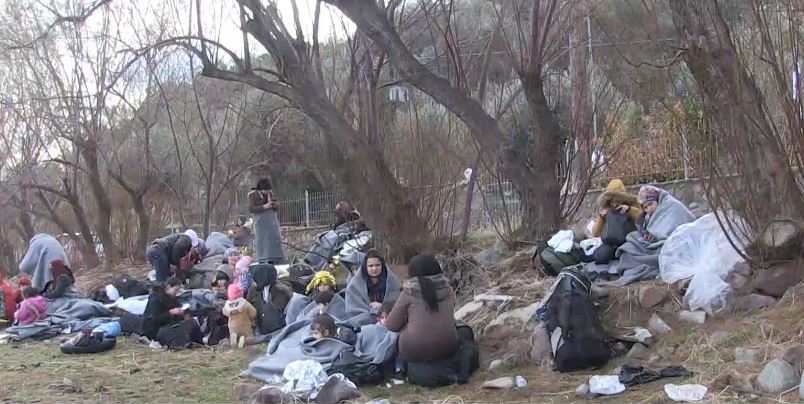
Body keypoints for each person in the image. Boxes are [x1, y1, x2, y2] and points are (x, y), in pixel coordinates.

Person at [384, 255, 459, 364]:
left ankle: (400, 368)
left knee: (398, 334)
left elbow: (391, 325)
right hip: (449, 346)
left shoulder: (410, 292)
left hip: (416, 350)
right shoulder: (449, 290)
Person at [590, 179, 642, 264]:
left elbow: (642, 219)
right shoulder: (606, 211)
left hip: (628, 242)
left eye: (617, 201)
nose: (614, 205)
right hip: (610, 244)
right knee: (600, 256)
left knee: (631, 257)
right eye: (612, 202)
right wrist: (601, 217)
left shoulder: (631, 206)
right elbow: (595, 233)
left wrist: (629, 210)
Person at [344, 251, 402, 325]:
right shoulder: (354, 286)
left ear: (382, 265)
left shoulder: (393, 283)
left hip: (390, 323)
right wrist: (373, 312)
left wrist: (383, 306)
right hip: (363, 324)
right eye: (371, 266)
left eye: (377, 265)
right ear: (365, 267)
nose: (374, 269)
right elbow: (352, 311)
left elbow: (400, 305)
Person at [248, 178, 285, 264]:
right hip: (260, 223)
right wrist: (265, 206)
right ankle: (263, 259)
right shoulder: (253, 195)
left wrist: (271, 202)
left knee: (274, 240)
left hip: (271, 222)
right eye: (265, 190)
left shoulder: (270, 194)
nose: (267, 191)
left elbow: (276, 206)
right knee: (262, 242)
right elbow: (252, 208)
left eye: (268, 190)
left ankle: (276, 257)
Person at [222, 284, 257, 349]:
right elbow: (253, 313)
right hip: (244, 326)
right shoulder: (245, 303)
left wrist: (230, 313)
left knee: (233, 334)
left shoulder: (228, 305)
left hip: (232, 327)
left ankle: (234, 340)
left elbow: (224, 311)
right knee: (250, 337)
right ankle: (244, 340)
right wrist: (251, 318)